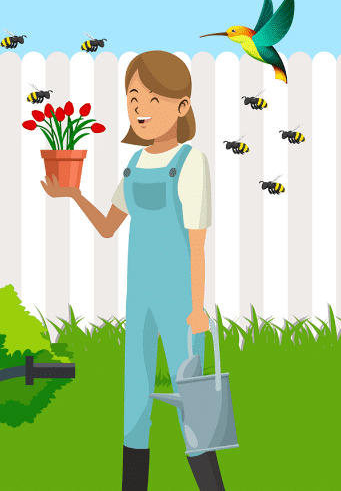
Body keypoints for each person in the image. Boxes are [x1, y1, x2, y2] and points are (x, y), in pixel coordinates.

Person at [41, 50, 224, 491]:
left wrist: (198, 308)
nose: (140, 109)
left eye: (152, 99)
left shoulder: (191, 162)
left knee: (192, 404)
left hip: (180, 303)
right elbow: (108, 227)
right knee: (134, 405)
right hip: (138, 299)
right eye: (133, 97)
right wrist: (73, 195)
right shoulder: (135, 164)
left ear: (182, 107)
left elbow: (197, 244)